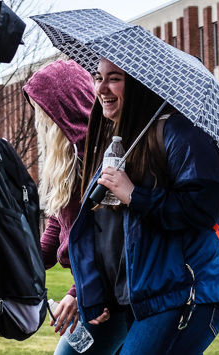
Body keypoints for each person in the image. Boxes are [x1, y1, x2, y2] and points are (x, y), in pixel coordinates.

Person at [71, 57, 219, 354]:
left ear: (139, 84)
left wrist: (135, 195)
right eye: (98, 77)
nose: (102, 88)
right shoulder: (121, 142)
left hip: (186, 291)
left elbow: (200, 209)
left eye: (115, 78)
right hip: (137, 296)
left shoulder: (183, 134)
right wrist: (97, 294)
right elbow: (106, 232)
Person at [23, 60, 132, 354]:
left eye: (44, 110)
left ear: (64, 108)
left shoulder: (103, 160)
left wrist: (75, 293)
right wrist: (25, 260)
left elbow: (110, 242)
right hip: (93, 294)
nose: (40, 120)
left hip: (111, 298)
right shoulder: (69, 160)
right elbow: (61, 222)